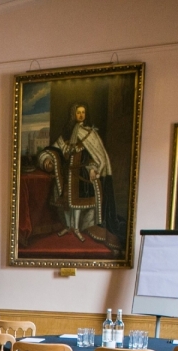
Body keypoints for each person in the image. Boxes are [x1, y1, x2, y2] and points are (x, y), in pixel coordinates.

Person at [40, 101, 119, 247]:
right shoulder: (67, 133)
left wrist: (95, 168)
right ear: (73, 114)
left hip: (83, 173)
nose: (81, 115)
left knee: (76, 202)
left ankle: (76, 228)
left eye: (83, 112)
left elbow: (98, 155)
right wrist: (47, 159)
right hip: (66, 173)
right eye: (78, 112)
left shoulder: (90, 133)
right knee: (66, 201)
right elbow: (55, 149)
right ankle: (69, 227)